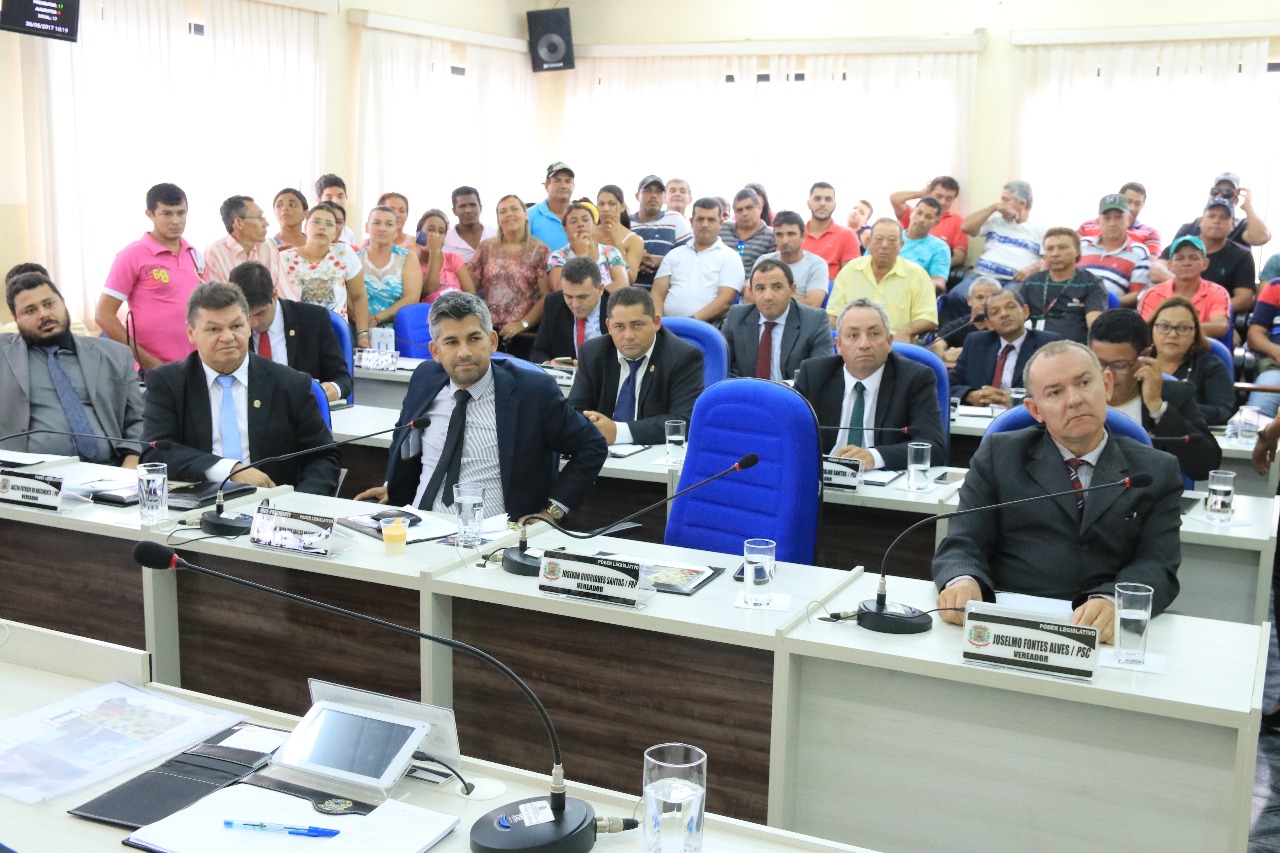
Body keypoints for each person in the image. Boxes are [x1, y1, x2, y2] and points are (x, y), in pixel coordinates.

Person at [932, 340, 1184, 636]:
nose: (1074, 400)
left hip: (1103, 630)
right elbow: (963, 542)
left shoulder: (1156, 469)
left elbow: (1157, 563)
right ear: (1035, 409)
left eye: (1084, 383)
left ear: (1107, 385)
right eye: (1055, 392)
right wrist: (963, 580)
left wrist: (1114, 601)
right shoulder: (998, 456)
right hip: (1012, 624)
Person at [353, 291, 607, 520]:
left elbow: (592, 445)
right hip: (420, 524)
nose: (464, 352)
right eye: (451, 342)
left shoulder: (533, 392)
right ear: (435, 351)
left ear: (492, 342)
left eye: (474, 338)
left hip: (493, 533)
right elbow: (405, 436)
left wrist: (553, 511)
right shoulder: (425, 379)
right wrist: (393, 485)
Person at [140, 282, 340, 494]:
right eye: (214, 329)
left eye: (236, 326)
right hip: (194, 506)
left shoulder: (290, 384)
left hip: (271, 511)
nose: (227, 337)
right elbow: (155, 453)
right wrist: (229, 470)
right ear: (191, 332)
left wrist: (296, 507)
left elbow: (322, 457)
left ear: (248, 324)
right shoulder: (168, 383)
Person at [1, 272, 143, 465]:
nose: (44, 314)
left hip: (110, 471)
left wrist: (130, 466)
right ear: (15, 319)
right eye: (30, 310)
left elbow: (139, 420)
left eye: (49, 304)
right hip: (30, 481)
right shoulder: (5, 355)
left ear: (62, 302)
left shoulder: (115, 355)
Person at [795, 298, 945, 470]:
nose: (864, 344)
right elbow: (789, 434)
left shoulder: (914, 378)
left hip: (886, 490)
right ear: (839, 345)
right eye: (853, 335)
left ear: (889, 342)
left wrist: (874, 456)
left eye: (874, 334)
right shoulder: (814, 375)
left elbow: (933, 446)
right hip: (825, 486)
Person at [1088, 309, 1220, 482]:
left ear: (1145, 356)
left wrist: (1157, 407)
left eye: (1119, 365)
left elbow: (1205, 466)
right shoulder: (1074, 397)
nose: (1107, 374)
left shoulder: (1175, 395)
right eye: (1099, 363)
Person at [568, 286, 703, 446]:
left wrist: (618, 431)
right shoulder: (592, 353)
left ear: (656, 322)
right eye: (619, 326)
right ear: (608, 326)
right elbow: (574, 412)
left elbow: (683, 421)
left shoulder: (682, 357)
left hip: (654, 460)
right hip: (601, 456)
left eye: (637, 325)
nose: (629, 336)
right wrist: (590, 424)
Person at [96, 182, 205, 372]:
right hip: (152, 370)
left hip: (194, 367)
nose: (176, 221)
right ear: (150, 214)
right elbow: (104, 315)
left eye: (181, 213)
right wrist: (146, 361)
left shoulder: (195, 255)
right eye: (167, 213)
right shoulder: (132, 255)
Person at [227, 261, 353, 404]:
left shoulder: (313, 320)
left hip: (302, 414)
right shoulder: (229, 330)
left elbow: (343, 380)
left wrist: (332, 389)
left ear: (274, 294)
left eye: (260, 313)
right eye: (246, 316)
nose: (252, 323)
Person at [827, 218, 937, 342]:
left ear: (901, 245)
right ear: (868, 242)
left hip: (896, 346)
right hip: (854, 344)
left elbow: (929, 318)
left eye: (892, 240)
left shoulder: (917, 274)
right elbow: (833, 315)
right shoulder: (850, 270)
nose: (884, 246)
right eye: (879, 239)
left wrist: (907, 331)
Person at [946, 180, 1045, 318]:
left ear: (1022, 203)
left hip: (1013, 281)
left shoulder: (1040, 229)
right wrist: (993, 208)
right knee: (956, 295)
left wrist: (1032, 269)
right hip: (982, 276)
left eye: (1006, 200)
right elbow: (965, 227)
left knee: (1003, 304)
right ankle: (969, 333)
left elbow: (1048, 261)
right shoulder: (995, 220)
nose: (1001, 204)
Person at [722, 259, 832, 380]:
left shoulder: (815, 321)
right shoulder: (737, 317)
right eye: (760, 288)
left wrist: (781, 389)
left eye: (777, 287)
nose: (768, 297)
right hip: (747, 394)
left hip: (794, 395)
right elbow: (722, 368)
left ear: (792, 290)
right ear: (751, 292)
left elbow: (820, 373)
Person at [467, 194, 550, 352]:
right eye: (503, 211)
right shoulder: (486, 247)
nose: (509, 214)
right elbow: (470, 287)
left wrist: (523, 324)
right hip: (487, 331)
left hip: (523, 334)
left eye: (514, 209)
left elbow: (546, 295)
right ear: (498, 219)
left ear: (525, 215)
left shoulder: (540, 250)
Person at [949, 289, 1060, 406]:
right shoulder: (976, 343)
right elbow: (948, 385)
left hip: (1026, 419)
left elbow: (1056, 391)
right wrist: (970, 395)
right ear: (989, 324)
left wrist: (1012, 401)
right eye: (995, 312)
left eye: (1010, 307)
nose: (1004, 314)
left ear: (1025, 312)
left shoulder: (1047, 344)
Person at [280, 205, 371, 347]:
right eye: (316, 222)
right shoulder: (284, 259)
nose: (322, 227)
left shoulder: (343, 253)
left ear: (335, 233)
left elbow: (359, 296)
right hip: (295, 334)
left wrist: (362, 336)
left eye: (329, 224)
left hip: (335, 333)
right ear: (305, 228)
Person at [1163, 199, 1258, 319]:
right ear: (1201, 221)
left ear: (1232, 224)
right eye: (1211, 216)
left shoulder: (1242, 255)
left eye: (1223, 217)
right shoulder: (1181, 246)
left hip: (1217, 318)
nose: (1216, 221)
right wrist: (1180, 280)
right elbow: (1156, 269)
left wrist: (1207, 309)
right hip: (1171, 313)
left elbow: (1244, 299)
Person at [651, 198, 743, 323]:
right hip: (667, 327)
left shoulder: (730, 257)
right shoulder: (674, 254)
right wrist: (659, 323)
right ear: (691, 221)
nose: (705, 224)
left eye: (711, 220)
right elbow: (657, 293)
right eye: (700, 219)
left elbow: (725, 300)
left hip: (708, 328)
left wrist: (690, 323)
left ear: (721, 223)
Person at [1148, 297, 1235, 426]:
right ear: (1152, 329)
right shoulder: (1137, 364)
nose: (1172, 334)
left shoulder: (1210, 366)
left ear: (1195, 333)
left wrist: (1171, 406)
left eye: (1183, 328)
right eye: (1164, 326)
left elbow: (1222, 412)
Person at [1018, 228, 1107, 344]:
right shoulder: (1032, 281)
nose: (1055, 254)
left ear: (1077, 251)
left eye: (1062, 247)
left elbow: (1094, 325)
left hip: (1074, 349)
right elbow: (1017, 317)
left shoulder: (1091, 283)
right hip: (1035, 348)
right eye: (1049, 249)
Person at [1137, 235, 1231, 342]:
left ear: (1205, 264)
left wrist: (1172, 330)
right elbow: (1144, 329)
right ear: (1170, 265)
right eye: (1180, 258)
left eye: (1194, 258)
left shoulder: (1217, 293)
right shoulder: (1152, 294)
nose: (1186, 263)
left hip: (1201, 350)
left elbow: (1220, 326)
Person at [529, 257, 610, 364]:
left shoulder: (617, 309)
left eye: (582, 297)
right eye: (569, 296)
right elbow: (538, 352)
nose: (575, 304)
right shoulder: (554, 303)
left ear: (600, 289)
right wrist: (550, 364)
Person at [1078, 193, 1152, 306]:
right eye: (1107, 218)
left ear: (1128, 219)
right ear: (1098, 221)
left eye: (1118, 217)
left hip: (1109, 313)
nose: (1112, 223)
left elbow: (1138, 294)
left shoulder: (1138, 252)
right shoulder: (1082, 244)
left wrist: (1104, 303)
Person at [204, 195, 287, 294]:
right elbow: (220, 299)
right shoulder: (215, 253)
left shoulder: (269, 248)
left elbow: (282, 293)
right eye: (259, 217)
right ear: (239, 222)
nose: (266, 223)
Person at [358, 205, 424, 329]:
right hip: (359, 327)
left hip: (397, 328)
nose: (382, 229)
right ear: (367, 227)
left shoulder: (407, 257)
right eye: (376, 223)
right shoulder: (355, 259)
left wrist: (377, 318)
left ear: (396, 230)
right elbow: (350, 298)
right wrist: (362, 322)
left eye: (389, 224)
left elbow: (411, 298)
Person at [1168, 172, 1272, 250]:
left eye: (1227, 193)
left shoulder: (1242, 226)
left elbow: (1261, 238)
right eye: (1215, 191)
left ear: (1236, 198)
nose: (1220, 196)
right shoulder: (1189, 228)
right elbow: (1165, 261)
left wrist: (1248, 207)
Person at [890, 176, 968, 270]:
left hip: (929, 273)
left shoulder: (957, 222)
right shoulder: (915, 215)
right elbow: (895, 198)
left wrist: (937, 265)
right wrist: (921, 193)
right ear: (929, 193)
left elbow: (960, 257)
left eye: (948, 199)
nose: (943, 202)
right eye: (939, 196)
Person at [548, 202, 629, 292]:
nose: (580, 224)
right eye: (573, 221)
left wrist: (593, 298)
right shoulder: (558, 257)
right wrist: (581, 257)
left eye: (585, 220)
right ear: (565, 229)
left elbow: (623, 284)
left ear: (594, 225)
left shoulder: (610, 252)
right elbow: (559, 290)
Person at [753, 210, 829, 307]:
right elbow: (750, 297)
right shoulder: (763, 261)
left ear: (803, 236)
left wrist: (771, 295)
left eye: (791, 234)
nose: (785, 241)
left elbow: (813, 304)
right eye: (779, 235)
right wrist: (793, 296)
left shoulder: (817, 264)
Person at [631, 175, 692, 288]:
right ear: (637, 196)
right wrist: (634, 261)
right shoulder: (625, 223)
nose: (654, 195)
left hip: (665, 298)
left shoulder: (675, 219)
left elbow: (690, 258)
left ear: (664, 197)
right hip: (629, 297)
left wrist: (661, 262)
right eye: (647, 190)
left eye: (659, 192)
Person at [1077, 181, 1162, 258]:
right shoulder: (1086, 227)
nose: (1132, 208)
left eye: (1137, 204)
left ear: (1143, 205)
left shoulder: (1151, 234)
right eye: (1128, 201)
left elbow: (1151, 264)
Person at [929, 276, 1000, 363]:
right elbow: (936, 345)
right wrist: (944, 355)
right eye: (980, 297)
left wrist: (964, 354)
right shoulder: (960, 325)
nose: (984, 303)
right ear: (969, 300)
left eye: (990, 298)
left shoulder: (1001, 327)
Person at [802, 182, 862, 281]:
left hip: (832, 293)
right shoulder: (794, 234)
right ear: (808, 203)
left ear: (834, 205)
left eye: (828, 199)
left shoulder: (847, 235)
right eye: (817, 199)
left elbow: (851, 279)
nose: (822, 203)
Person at [414, 209, 475, 303]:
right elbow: (428, 293)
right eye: (430, 230)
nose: (435, 235)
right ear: (419, 233)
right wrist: (434, 252)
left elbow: (471, 291)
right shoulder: (411, 262)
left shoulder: (453, 258)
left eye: (441, 232)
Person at [720, 188, 775, 282]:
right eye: (739, 210)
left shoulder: (771, 236)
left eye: (749, 208)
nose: (744, 213)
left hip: (752, 290)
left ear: (760, 209)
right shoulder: (722, 229)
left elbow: (769, 270)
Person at [899, 197, 951, 293]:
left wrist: (916, 287)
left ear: (936, 223)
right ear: (911, 213)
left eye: (928, 217)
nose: (921, 219)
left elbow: (938, 281)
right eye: (919, 213)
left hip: (914, 294)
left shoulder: (940, 248)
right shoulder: (892, 237)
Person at [594, 185, 644, 282]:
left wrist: (617, 245)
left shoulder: (634, 240)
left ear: (622, 207)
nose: (605, 209)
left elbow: (630, 279)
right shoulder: (589, 233)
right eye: (601, 204)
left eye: (612, 204)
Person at [1247, 279, 1280, 418]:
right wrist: (1276, 351)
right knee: (1256, 417)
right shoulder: (1275, 287)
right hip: (1276, 366)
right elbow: (1254, 335)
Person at [442, 186, 496, 263]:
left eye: (472, 205)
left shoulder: (495, 234)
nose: (468, 210)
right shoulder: (446, 240)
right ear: (454, 211)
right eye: (462, 206)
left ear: (480, 207)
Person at [529, 162, 575, 250]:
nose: (563, 186)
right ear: (546, 186)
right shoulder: (529, 217)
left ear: (573, 186)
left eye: (568, 181)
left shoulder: (582, 216)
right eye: (557, 181)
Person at [315, 174, 358, 245]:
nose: (336, 201)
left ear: (346, 197)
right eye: (329, 197)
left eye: (340, 196)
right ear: (319, 200)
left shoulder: (349, 234)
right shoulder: (311, 230)